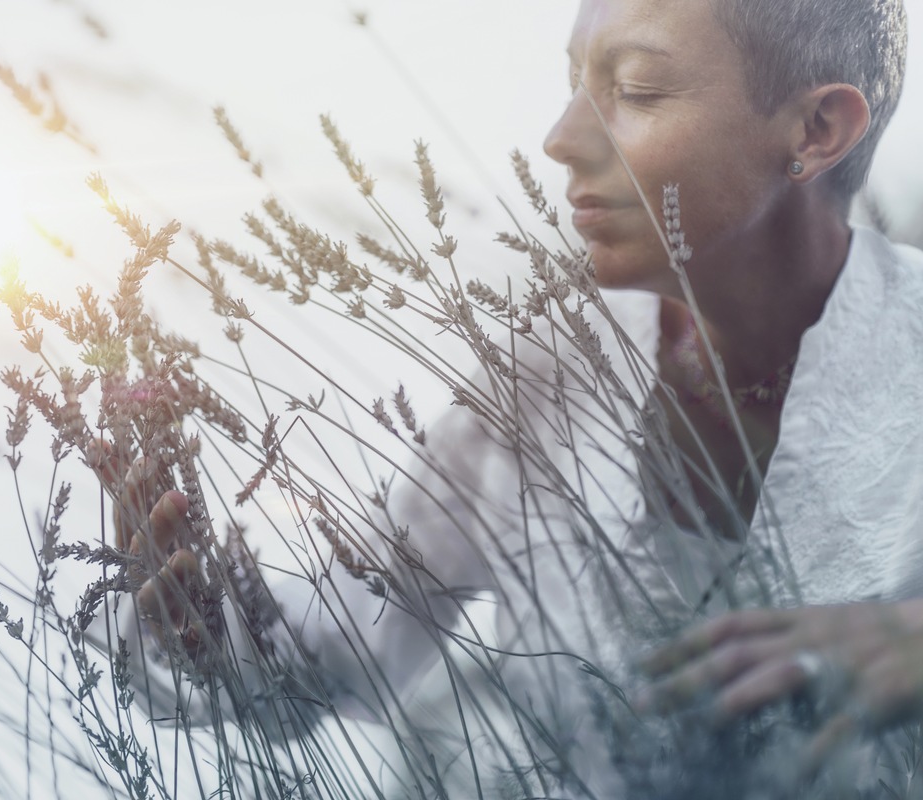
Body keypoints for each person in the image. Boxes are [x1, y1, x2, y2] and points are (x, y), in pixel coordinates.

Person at [97, 0, 923, 794]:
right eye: (573, 84)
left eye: (634, 89)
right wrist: (200, 617)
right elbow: (344, 649)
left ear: (816, 130)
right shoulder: (549, 372)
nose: (561, 141)